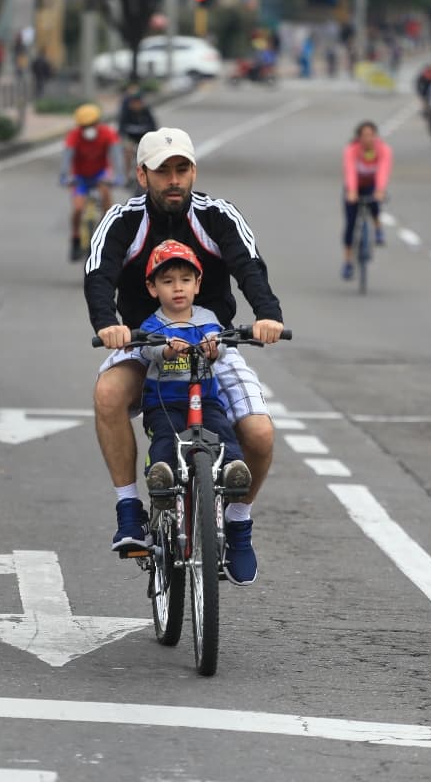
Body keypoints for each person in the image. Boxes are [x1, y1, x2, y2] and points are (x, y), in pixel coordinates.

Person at [85, 127, 285, 578]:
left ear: (193, 170)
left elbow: (248, 266)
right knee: (108, 395)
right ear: (142, 175)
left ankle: (237, 525)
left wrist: (267, 315)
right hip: (146, 343)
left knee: (259, 436)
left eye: (182, 169)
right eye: (162, 172)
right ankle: (129, 511)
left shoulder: (217, 215)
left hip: (213, 344)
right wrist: (108, 325)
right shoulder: (122, 220)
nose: (174, 180)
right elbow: (98, 273)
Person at [136, 240, 256, 584]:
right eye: (168, 280)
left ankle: (233, 472)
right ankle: (160, 479)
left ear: (198, 284)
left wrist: (213, 347)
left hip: (206, 400)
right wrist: (165, 350)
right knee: (164, 440)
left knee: (224, 432)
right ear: (152, 287)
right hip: (166, 403)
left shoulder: (207, 319)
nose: (178, 288)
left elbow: (217, 341)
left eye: (185, 280)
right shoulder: (152, 324)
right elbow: (147, 353)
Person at [62, 102, 121, 261]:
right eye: (84, 125)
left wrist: (119, 175)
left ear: (98, 122)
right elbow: (67, 157)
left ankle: (104, 233)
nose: (88, 128)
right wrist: (64, 176)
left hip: (100, 175)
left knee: (107, 202)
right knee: (78, 208)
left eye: (92, 124)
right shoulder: (74, 136)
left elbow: (116, 155)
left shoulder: (107, 133)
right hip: (80, 177)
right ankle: (75, 239)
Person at [341, 120, 392, 281]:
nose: (368, 139)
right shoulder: (352, 150)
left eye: (371, 135)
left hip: (371, 184)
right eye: (364, 136)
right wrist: (352, 192)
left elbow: (383, 171)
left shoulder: (383, 150)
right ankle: (348, 261)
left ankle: (377, 228)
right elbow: (350, 172)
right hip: (354, 186)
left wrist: (380, 190)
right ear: (359, 137)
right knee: (350, 223)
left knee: (374, 202)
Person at [116, 88, 156, 188]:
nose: (136, 105)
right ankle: (128, 176)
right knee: (128, 151)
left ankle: (151, 174)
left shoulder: (146, 112)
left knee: (151, 153)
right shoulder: (126, 113)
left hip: (144, 138)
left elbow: (154, 127)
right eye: (134, 102)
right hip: (131, 138)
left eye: (138, 102)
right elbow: (121, 129)